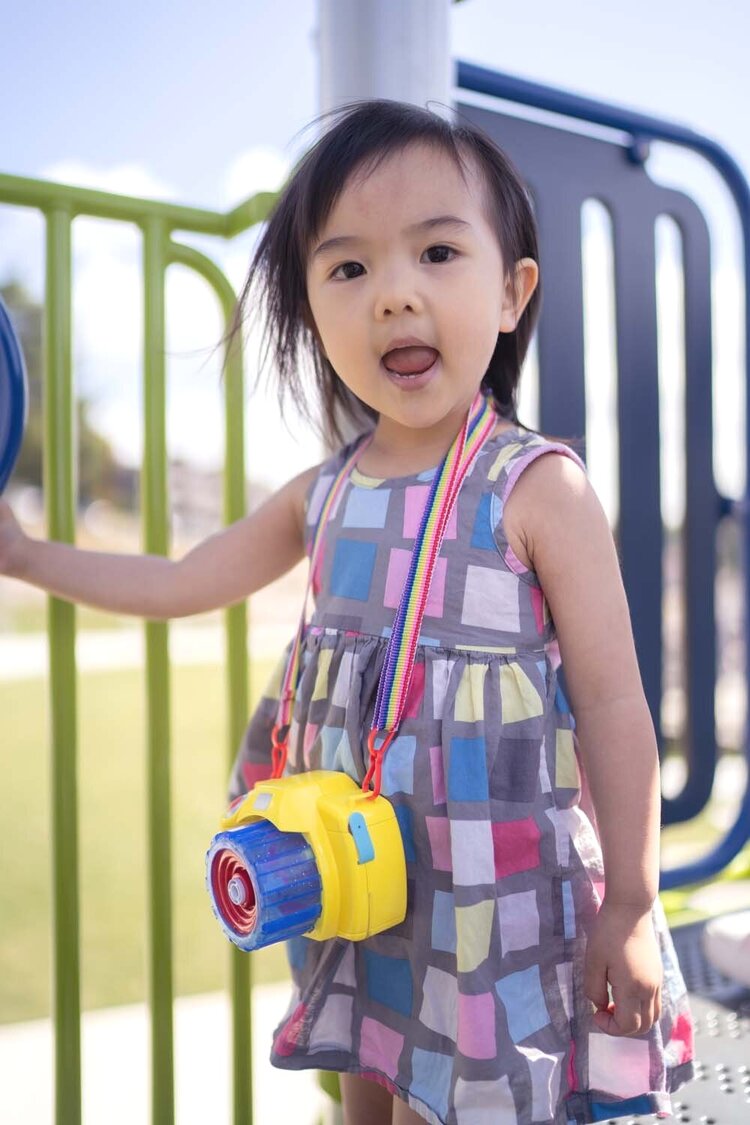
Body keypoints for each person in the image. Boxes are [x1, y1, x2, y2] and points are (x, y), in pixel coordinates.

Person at [0, 99, 695, 1124]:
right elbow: (181, 579)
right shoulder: (322, 493)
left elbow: (615, 704)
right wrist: (22, 555)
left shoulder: (537, 489)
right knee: (363, 1090)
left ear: (512, 292)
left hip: (485, 906)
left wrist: (631, 902)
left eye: (438, 253)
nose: (394, 295)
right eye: (350, 268)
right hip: (360, 886)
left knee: (465, 1098)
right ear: (312, 311)